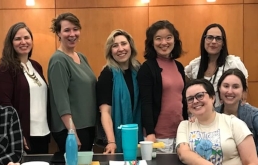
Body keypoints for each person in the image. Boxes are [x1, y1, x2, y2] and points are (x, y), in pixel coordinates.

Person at [176, 79, 258, 165]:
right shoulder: (185, 125)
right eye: (190, 99)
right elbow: (183, 153)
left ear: (212, 97)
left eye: (200, 96)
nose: (195, 101)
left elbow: (253, 164)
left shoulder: (233, 123)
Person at [0, 22, 50, 154]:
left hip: (43, 132)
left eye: (26, 38)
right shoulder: (5, 69)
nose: (23, 42)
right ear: (10, 43)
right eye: (18, 39)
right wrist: (17, 132)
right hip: (23, 134)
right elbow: (5, 106)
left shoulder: (36, 66)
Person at [48, 13, 97, 152]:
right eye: (67, 30)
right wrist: (72, 132)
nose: (72, 34)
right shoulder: (58, 60)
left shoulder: (81, 57)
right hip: (71, 130)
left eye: (75, 29)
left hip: (86, 127)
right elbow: (61, 100)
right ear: (58, 33)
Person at [137, 20, 188, 153]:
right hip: (158, 138)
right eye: (158, 39)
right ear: (152, 42)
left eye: (168, 38)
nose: (164, 43)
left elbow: (182, 99)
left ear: (175, 40)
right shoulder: (147, 68)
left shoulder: (179, 66)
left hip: (180, 135)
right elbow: (145, 103)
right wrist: (150, 133)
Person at [96, 29, 142, 154]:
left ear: (130, 46)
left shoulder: (139, 70)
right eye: (115, 46)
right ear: (110, 51)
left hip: (139, 136)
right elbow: (105, 112)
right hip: (116, 139)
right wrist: (111, 142)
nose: (120, 49)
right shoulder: (107, 74)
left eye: (123, 43)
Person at [185, 23, 248, 107]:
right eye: (210, 37)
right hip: (201, 115)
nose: (213, 42)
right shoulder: (194, 65)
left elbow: (243, 95)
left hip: (228, 115)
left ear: (223, 43)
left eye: (218, 38)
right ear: (204, 40)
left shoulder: (233, 63)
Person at [215, 69, 258, 153]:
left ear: (243, 91)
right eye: (226, 86)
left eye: (235, 87)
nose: (230, 91)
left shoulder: (254, 115)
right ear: (219, 89)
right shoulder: (212, 114)